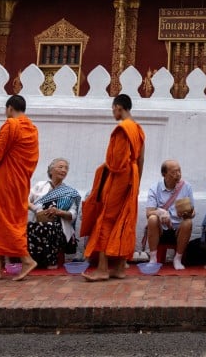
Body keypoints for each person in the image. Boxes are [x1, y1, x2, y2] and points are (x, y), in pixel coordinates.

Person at [83, 94, 145, 282]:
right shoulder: (138, 129)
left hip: (119, 176)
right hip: (132, 176)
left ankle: (102, 269)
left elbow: (117, 163)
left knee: (106, 219)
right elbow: (141, 159)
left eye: (113, 109)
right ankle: (119, 269)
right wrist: (137, 182)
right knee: (124, 219)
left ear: (119, 107)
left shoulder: (122, 129)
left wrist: (105, 169)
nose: (113, 112)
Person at [0, 94, 39, 281]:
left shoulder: (10, 125)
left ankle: (26, 259)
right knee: (0, 220)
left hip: (4, 180)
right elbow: (33, 159)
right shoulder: (32, 129)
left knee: (4, 220)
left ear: (10, 108)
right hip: (20, 181)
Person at [26, 158, 80, 269]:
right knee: (30, 227)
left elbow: (73, 214)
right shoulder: (40, 186)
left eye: (66, 168)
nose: (64, 170)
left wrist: (59, 212)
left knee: (49, 227)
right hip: (38, 222)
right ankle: (33, 260)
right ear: (51, 171)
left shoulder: (70, 192)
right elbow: (25, 200)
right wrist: (37, 209)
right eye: (60, 167)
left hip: (60, 227)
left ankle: (51, 260)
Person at [145, 159, 195, 270]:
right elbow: (148, 213)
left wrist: (189, 213)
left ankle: (177, 259)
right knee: (152, 219)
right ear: (164, 174)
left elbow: (193, 211)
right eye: (174, 172)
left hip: (178, 228)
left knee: (188, 222)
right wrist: (160, 212)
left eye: (179, 171)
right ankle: (153, 259)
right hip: (161, 229)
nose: (178, 175)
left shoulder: (186, 187)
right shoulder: (155, 188)